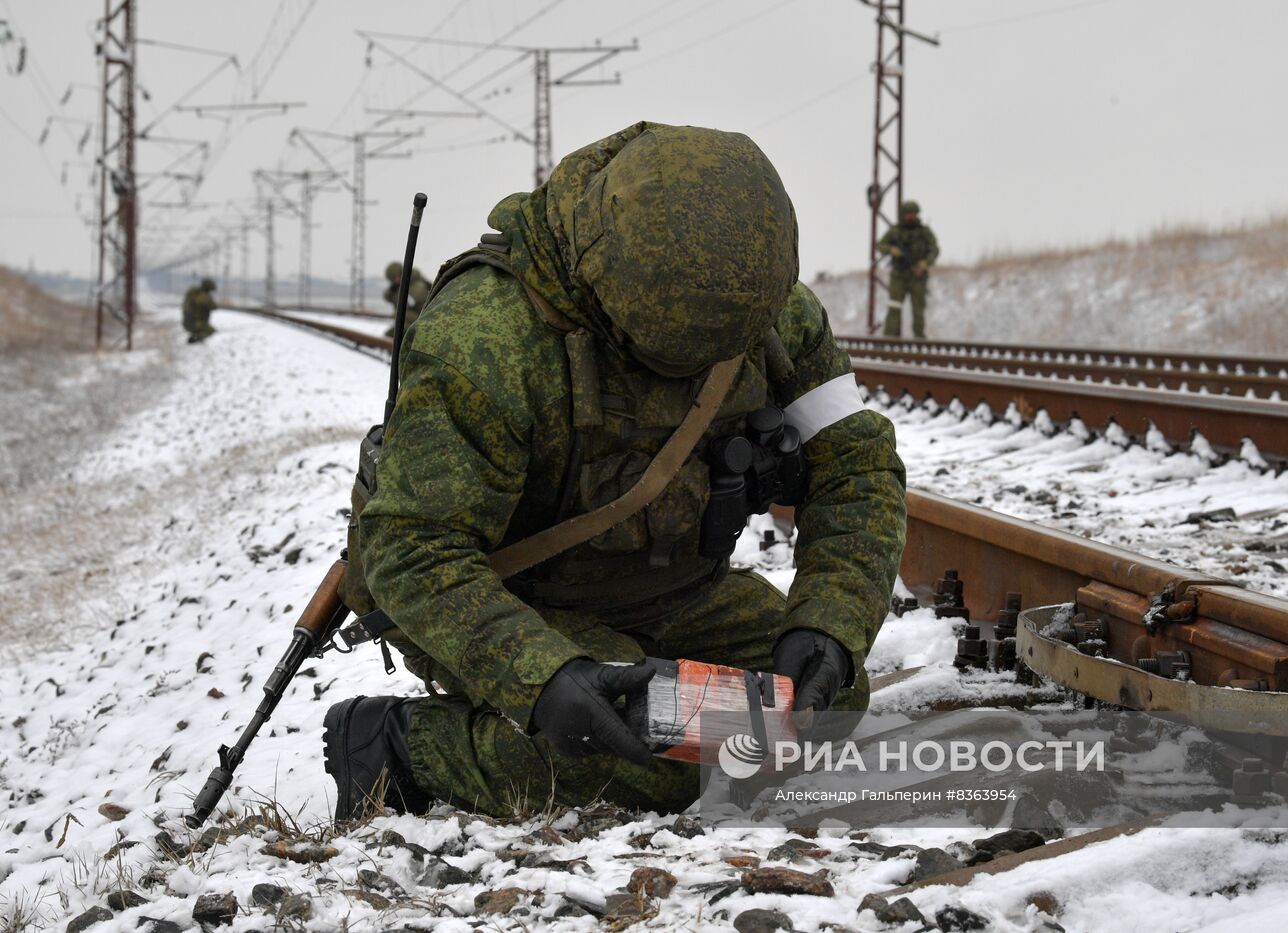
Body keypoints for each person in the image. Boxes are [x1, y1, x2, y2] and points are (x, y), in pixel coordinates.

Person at [324, 121, 907, 821]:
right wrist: (543, 676)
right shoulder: (485, 337)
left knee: (822, 704)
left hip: (672, 594)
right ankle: (405, 746)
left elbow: (857, 467)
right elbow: (412, 551)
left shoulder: (768, 309)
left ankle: (596, 707)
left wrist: (828, 624)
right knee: (667, 756)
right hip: (506, 599)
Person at [876, 201, 939, 339]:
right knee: (894, 306)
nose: (911, 217)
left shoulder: (924, 232)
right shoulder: (895, 231)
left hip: (918, 276)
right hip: (899, 275)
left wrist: (925, 263)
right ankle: (888, 338)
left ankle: (919, 338)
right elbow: (880, 245)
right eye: (908, 214)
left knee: (918, 308)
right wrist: (891, 250)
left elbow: (935, 250)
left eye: (913, 214)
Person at [382, 261, 431, 338]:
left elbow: (416, 300)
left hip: (422, 319)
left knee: (399, 314)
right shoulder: (399, 286)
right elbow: (387, 297)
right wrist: (392, 290)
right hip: (414, 322)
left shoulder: (415, 284)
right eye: (393, 279)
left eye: (396, 277)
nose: (395, 280)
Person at [181, 277, 217, 343]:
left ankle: (196, 335)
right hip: (196, 323)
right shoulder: (202, 296)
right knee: (211, 331)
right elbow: (213, 306)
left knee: (206, 329)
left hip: (187, 322)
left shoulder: (194, 293)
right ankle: (198, 336)